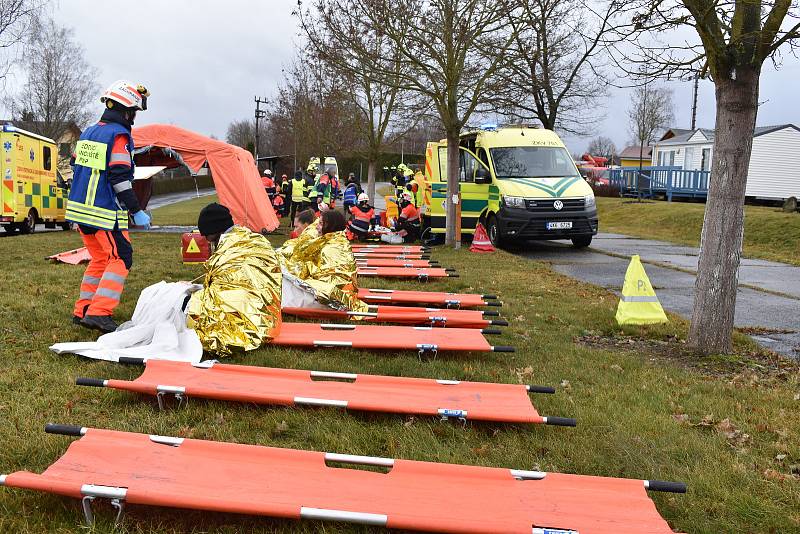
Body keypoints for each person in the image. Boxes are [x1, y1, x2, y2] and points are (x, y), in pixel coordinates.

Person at [67, 79, 152, 333]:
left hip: (80, 211)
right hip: (103, 212)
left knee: (101, 258)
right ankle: (99, 312)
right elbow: (119, 178)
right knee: (121, 257)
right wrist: (136, 210)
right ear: (126, 109)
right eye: (134, 112)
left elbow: (76, 166)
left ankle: (83, 309)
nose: (134, 118)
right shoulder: (118, 136)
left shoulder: (89, 132)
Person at [188, 203, 282, 355]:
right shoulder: (253, 238)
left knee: (187, 305)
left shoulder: (227, 250)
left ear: (215, 229)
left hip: (243, 308)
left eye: (207, 234)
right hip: (268, 314)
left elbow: (218, 288)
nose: (206, 239)